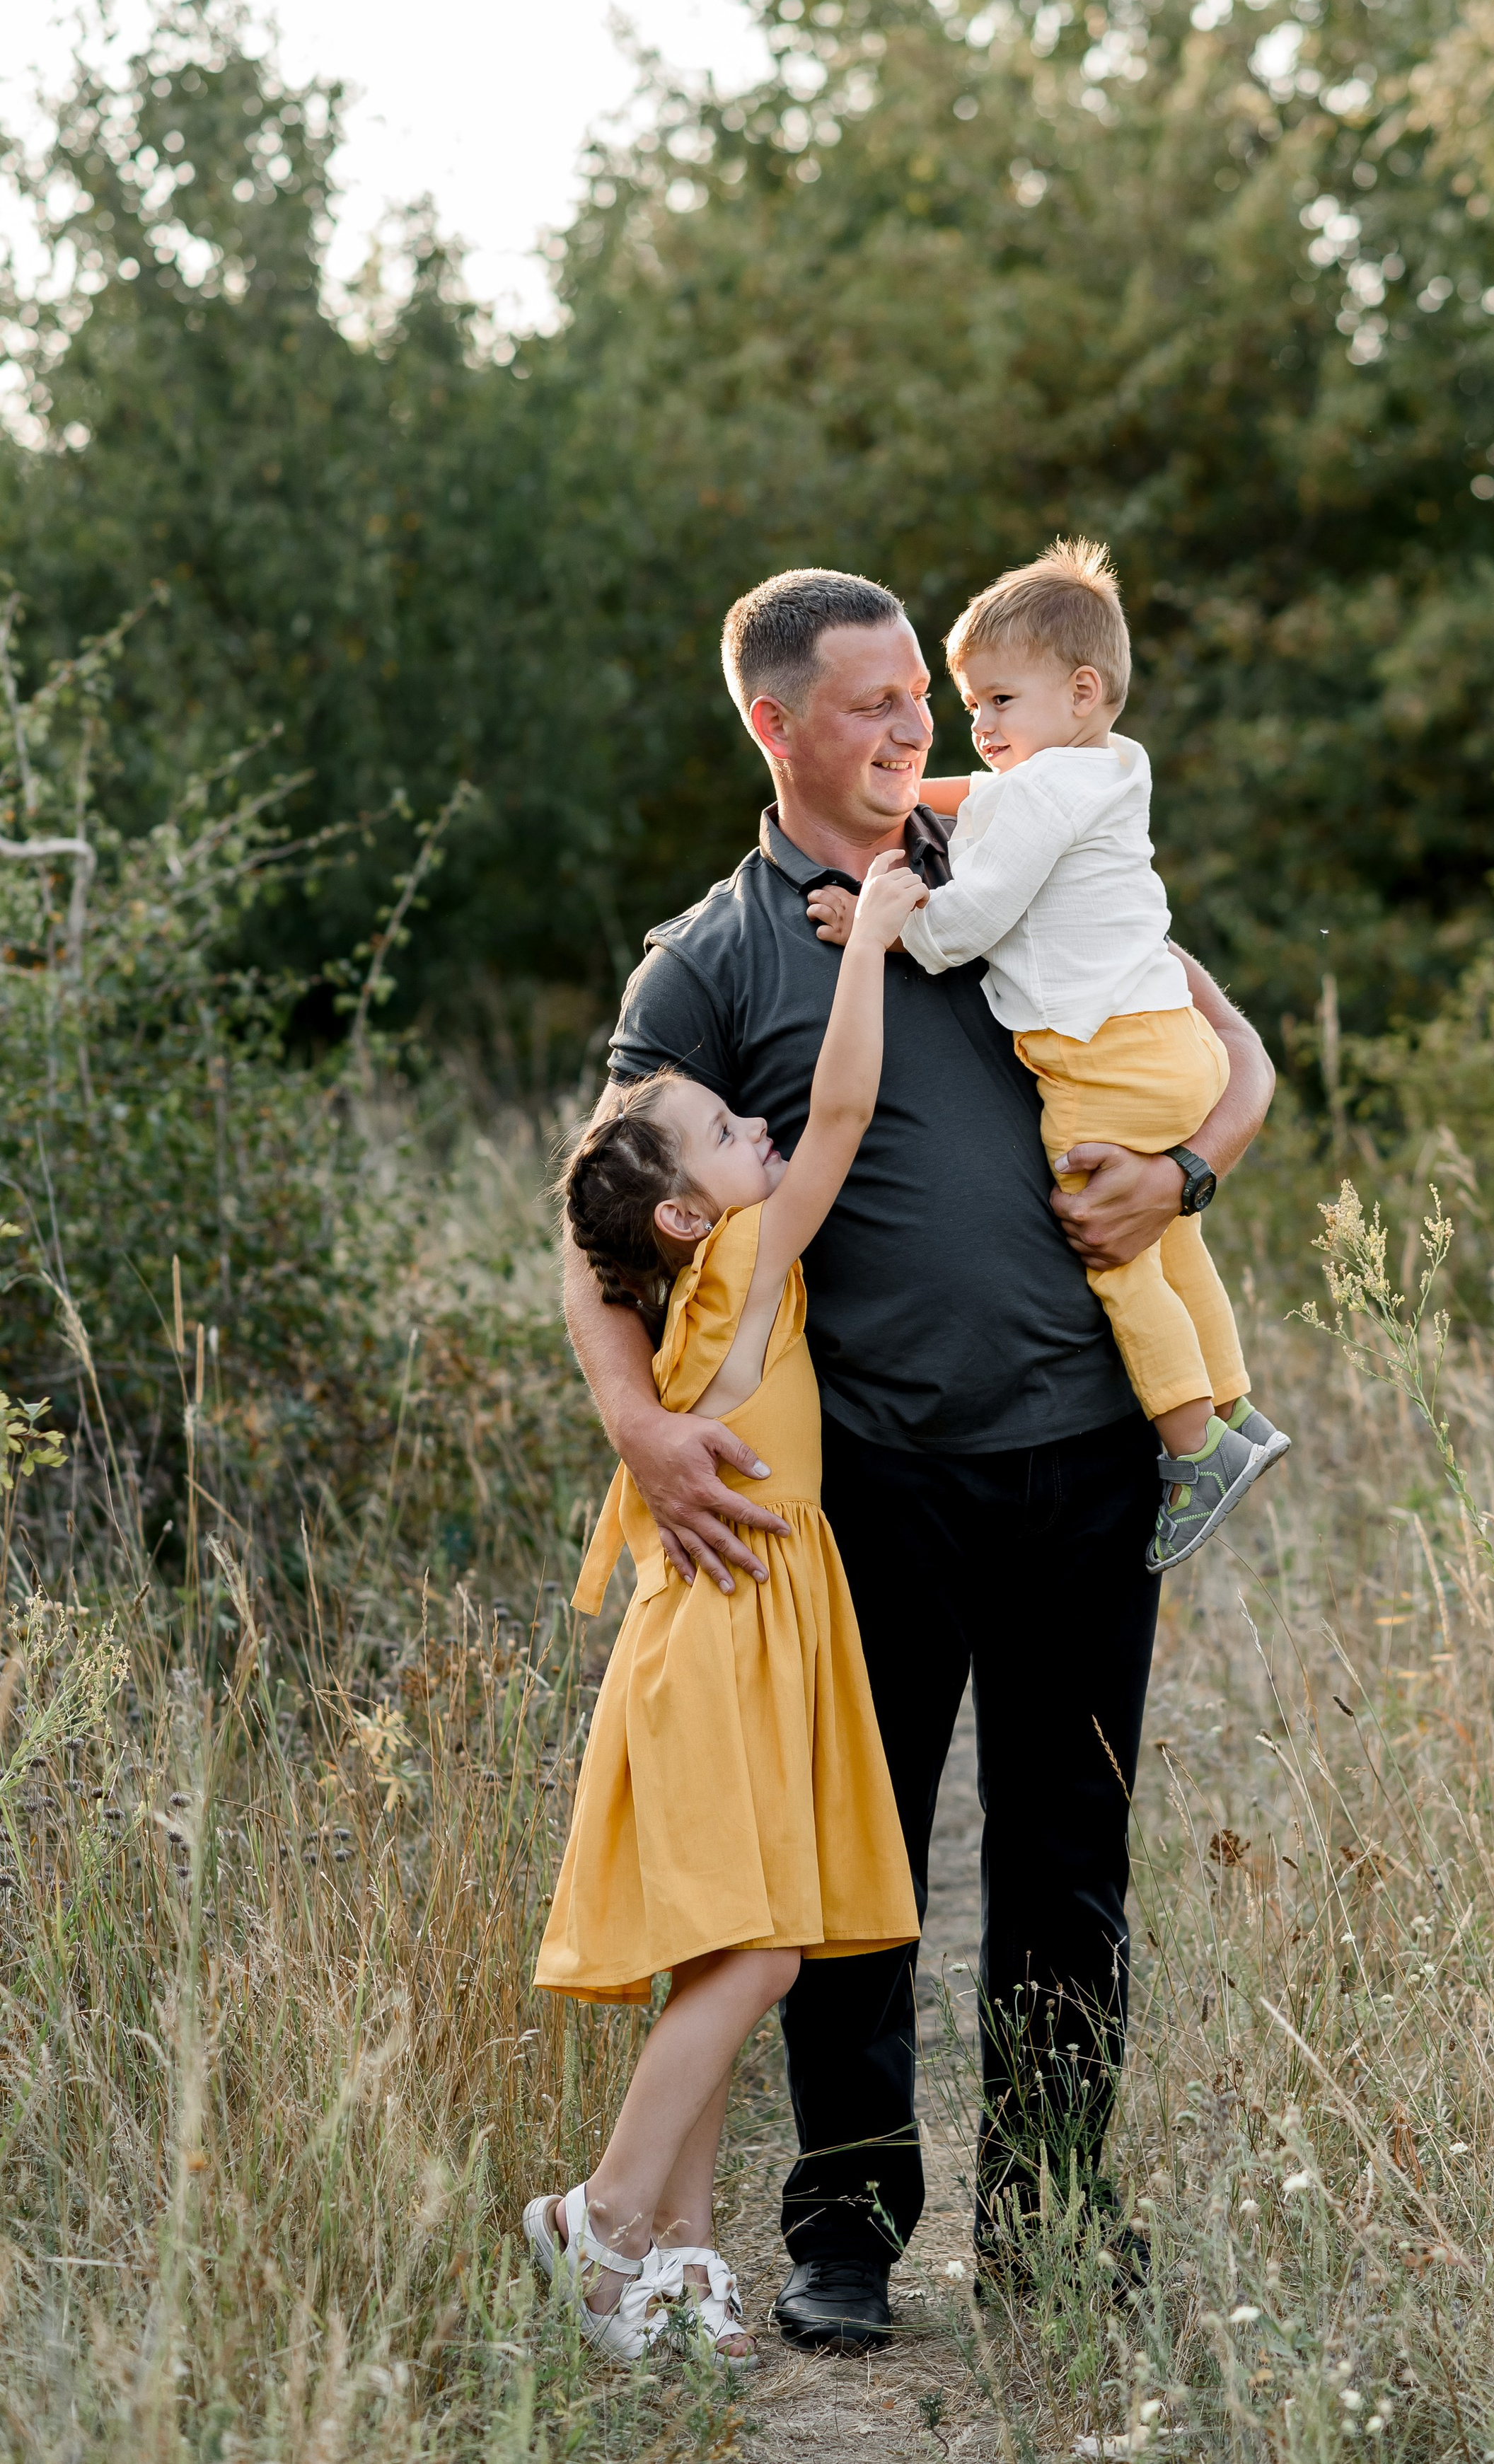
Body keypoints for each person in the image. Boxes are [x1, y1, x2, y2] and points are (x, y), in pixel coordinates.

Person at [562, 567, 1276, 2349]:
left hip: (1093, 1462)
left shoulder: (1018, 845)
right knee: (848, 1875)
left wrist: (1186, 1175)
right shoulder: (714, 956)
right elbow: (584, 1226)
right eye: (871, 704)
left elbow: (1231, 1045)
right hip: (869, 1481)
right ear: (773, 723)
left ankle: (1049, 2227)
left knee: (1065, 1864)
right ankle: (845, 2236)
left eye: (919, 698)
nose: (912, 730)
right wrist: (644, 1430)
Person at [523, 848, 926, 2368]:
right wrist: (871, 942)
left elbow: (776, 1131)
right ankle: (608, 2215)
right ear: (692, 1216)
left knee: (724, 1947)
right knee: (760, 1954)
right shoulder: (751, 1252)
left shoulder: (693, 1273)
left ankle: (676, 2273)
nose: (747, 1123)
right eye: (716, 1129)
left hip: (728, 1631)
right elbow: (835, 1113)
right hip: (727, 1637)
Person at [809, 538, 1289, 1571]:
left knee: (1113, 1251)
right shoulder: (1108, 766)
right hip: (1170, 1042)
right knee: (1173, 1243)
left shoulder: (1035, 794)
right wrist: (915, 795)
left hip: (1101, 1061)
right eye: (973, 707)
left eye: (998, 704)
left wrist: (880, 924)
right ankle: (1239, 1408)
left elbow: (973, 915)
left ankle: (1194, 1447)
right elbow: (985, 801)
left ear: (1080, 691)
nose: (979, 728)